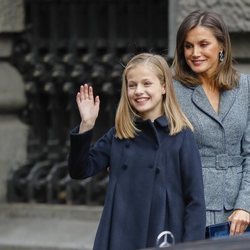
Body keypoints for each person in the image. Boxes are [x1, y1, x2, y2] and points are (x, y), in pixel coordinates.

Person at [68, 53, 206, 250]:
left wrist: (192, 247)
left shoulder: (181, 137)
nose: (139, 91)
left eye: (147, 83)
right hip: (119, 235)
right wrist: (87, 125)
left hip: (163, 235)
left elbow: (195, 202)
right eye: (132, 85)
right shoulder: (118, 135)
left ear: (164, 86)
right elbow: (79, 170)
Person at [172, 10, 250, 236]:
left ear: (222, 46)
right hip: (190, 206)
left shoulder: (245, 86)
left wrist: (245, 204)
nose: (195, 53)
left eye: (203, 44)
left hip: (240, 213)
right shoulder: (173, 89)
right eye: (188, 46)